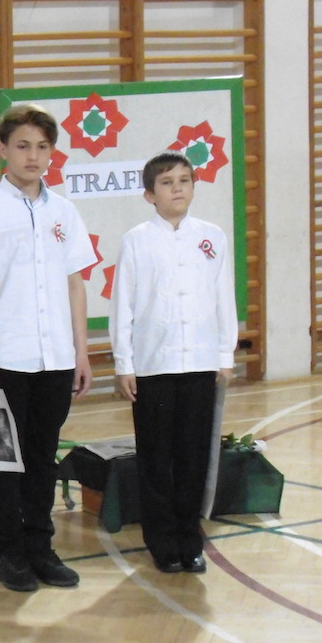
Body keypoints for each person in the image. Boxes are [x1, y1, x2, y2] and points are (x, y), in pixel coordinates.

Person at [0, 103, 96, 593]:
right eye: (22, 146)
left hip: (55, 360)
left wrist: (81, 352)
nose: (33, 156)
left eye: (42, 147)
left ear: (52, 152)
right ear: (3, 149)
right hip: (3, 362)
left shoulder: (64, 212)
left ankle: (41, 547)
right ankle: (9, 551)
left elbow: (75, 284)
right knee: (3, 462)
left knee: (42, 459)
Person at [110, 150, 237, 575]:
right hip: (153, 367)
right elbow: (123, 305)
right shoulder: (136, 240)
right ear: (150, 195)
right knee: (156, 458)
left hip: (200, 364)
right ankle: (162, 542)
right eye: (166, 183)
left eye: (184, 180)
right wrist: (124, 363)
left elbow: (223, 297)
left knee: (193, 458)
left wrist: (224, 355)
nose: (177, 189)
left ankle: (190, 539)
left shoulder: (212, 237)